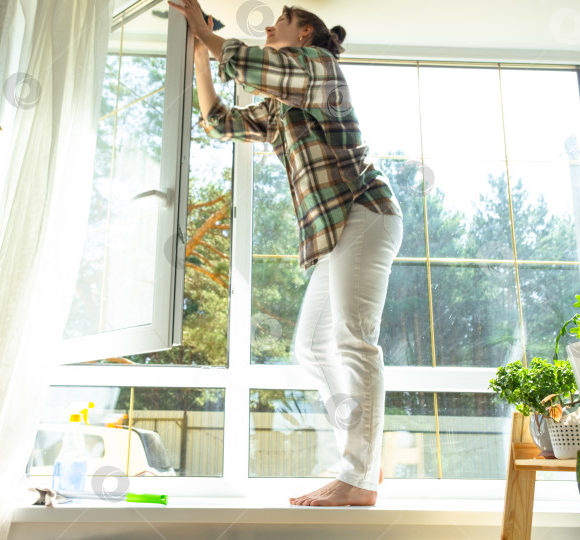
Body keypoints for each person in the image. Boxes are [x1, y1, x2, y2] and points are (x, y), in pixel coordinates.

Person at [168, 0, 403, 507]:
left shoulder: (322, 69)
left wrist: (203, 32)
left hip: (364, 212)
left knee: (353, 342)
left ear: (305, 36)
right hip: (336, 231)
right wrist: (201, 55)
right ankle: (364, 461)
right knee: (313, 349)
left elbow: (256, 65)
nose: (271, 25)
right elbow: (219, 120)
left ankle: (358, 480)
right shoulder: (281, 106)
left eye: (282, 20)